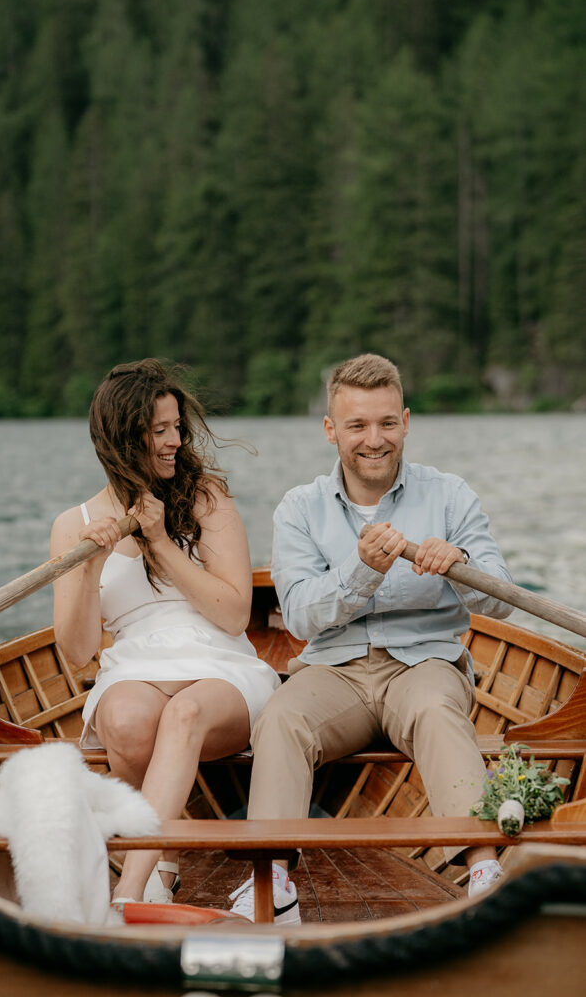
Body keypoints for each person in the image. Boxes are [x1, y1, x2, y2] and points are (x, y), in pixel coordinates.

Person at [229, 353, 511, 924]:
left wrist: (461, 564)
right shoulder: (299, 509)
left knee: (436, 708)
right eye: (357, 425)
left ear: (405, 421)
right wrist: (361, 574)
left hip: (424, 663)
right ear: (331, 430)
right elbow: (303, 619)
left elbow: (501, 598)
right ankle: (273, 880)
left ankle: (483, 872)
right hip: (336, 671)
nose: (373, 439)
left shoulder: (450, 495)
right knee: (281, 717)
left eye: (386, 423)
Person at [50, 359, 279, 911]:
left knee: (184, 715)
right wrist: (90, 564)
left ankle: (134, 883)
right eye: (160, 431)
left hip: (221, 666)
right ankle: (170, 849)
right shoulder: (72, 525)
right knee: (126, 721)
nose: (176, 440)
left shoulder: (207, 499)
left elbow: (232, 614)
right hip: (134, 667)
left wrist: (158, 541)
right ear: (123, 438)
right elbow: (79, 653)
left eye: (177, 426)